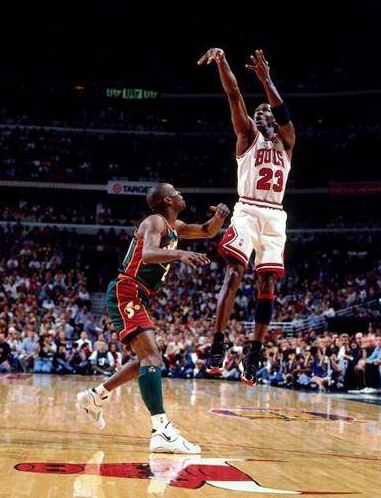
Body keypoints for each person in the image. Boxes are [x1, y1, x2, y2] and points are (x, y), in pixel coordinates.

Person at [77, 182, 229, 454]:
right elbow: (147, 255)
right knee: (152, 358)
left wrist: (219, 217)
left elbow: (207, 231)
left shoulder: (175, 226)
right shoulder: (154, 222)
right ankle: (161, 430)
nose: (181, 194)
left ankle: (96, 396)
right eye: (176, 192)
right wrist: (180, 254)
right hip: (127, 290)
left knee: (145, 360)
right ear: (168, 201)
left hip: (138, 294)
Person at [198, 47, 295, 385]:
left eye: (266, 112)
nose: (262, 115)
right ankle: (218, 343)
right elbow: (234, 94)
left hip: (275, 216)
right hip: (248, 209)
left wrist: (267, 80)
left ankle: (254, 351)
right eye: (258, 113)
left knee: (267, 282)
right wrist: (222, 61)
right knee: (235, 273)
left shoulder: (287, 141)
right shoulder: (247, 136)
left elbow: (283, 113)